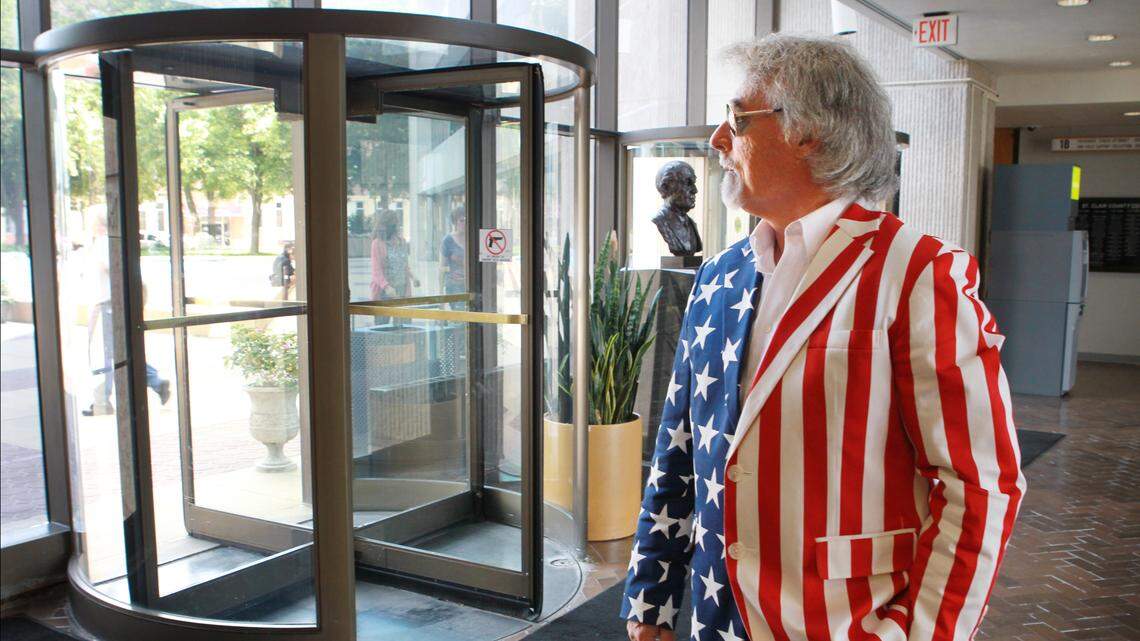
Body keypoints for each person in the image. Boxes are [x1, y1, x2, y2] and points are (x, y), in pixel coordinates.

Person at [622, 34, 1025, 641]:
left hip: (843, 621)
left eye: (737, 119)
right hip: (716, 617)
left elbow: (980, 486)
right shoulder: (719, 276)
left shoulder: (917, 272)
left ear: (807, 131)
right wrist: (649, 598)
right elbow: (678, 444)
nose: (716, 141)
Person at [370, 209, 420, 300]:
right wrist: (386, 287)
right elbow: (376, 271)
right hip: (384, 292)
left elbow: (404, 266)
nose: (396, 227)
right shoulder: (377, 244)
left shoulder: (402, 242)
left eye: (396, 224)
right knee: (383, 314)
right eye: (392, 225)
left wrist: (414, 277)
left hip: (402, 290)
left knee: (401, 314)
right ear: (384, 226)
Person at [440, 206, 467, 297]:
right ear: (455, 222)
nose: (465, 223)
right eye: (461, 220)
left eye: (467, 220)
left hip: (472, 285)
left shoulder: (474, 238)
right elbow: (442, 267)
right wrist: (440, 297)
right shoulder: (448, 240)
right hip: (454, 287)